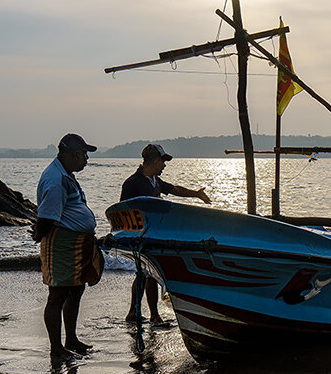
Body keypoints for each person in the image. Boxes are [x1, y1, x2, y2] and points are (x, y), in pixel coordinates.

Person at [119, 143, 211, 324]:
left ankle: (135, 313)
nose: (164, 165)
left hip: (154, 235)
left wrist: (196, 194)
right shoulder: (132, 183)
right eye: (163, 161)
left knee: (145, 273)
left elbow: (175, 189)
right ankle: (153, 316)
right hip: (140, 237)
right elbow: (122, 210)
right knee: (148, 273)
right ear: (153, 161)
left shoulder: (155, 181)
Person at [33, 133, 104, 360]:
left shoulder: (66, 174)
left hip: (75, 241)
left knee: (76, 288)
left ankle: (71, 339)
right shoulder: (56, 179)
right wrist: (38, 235)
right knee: (57, 294)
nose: (86, 159)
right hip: (61, 242)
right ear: (73, 154)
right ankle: (56, 349)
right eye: (84, 154)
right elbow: (46, 217)